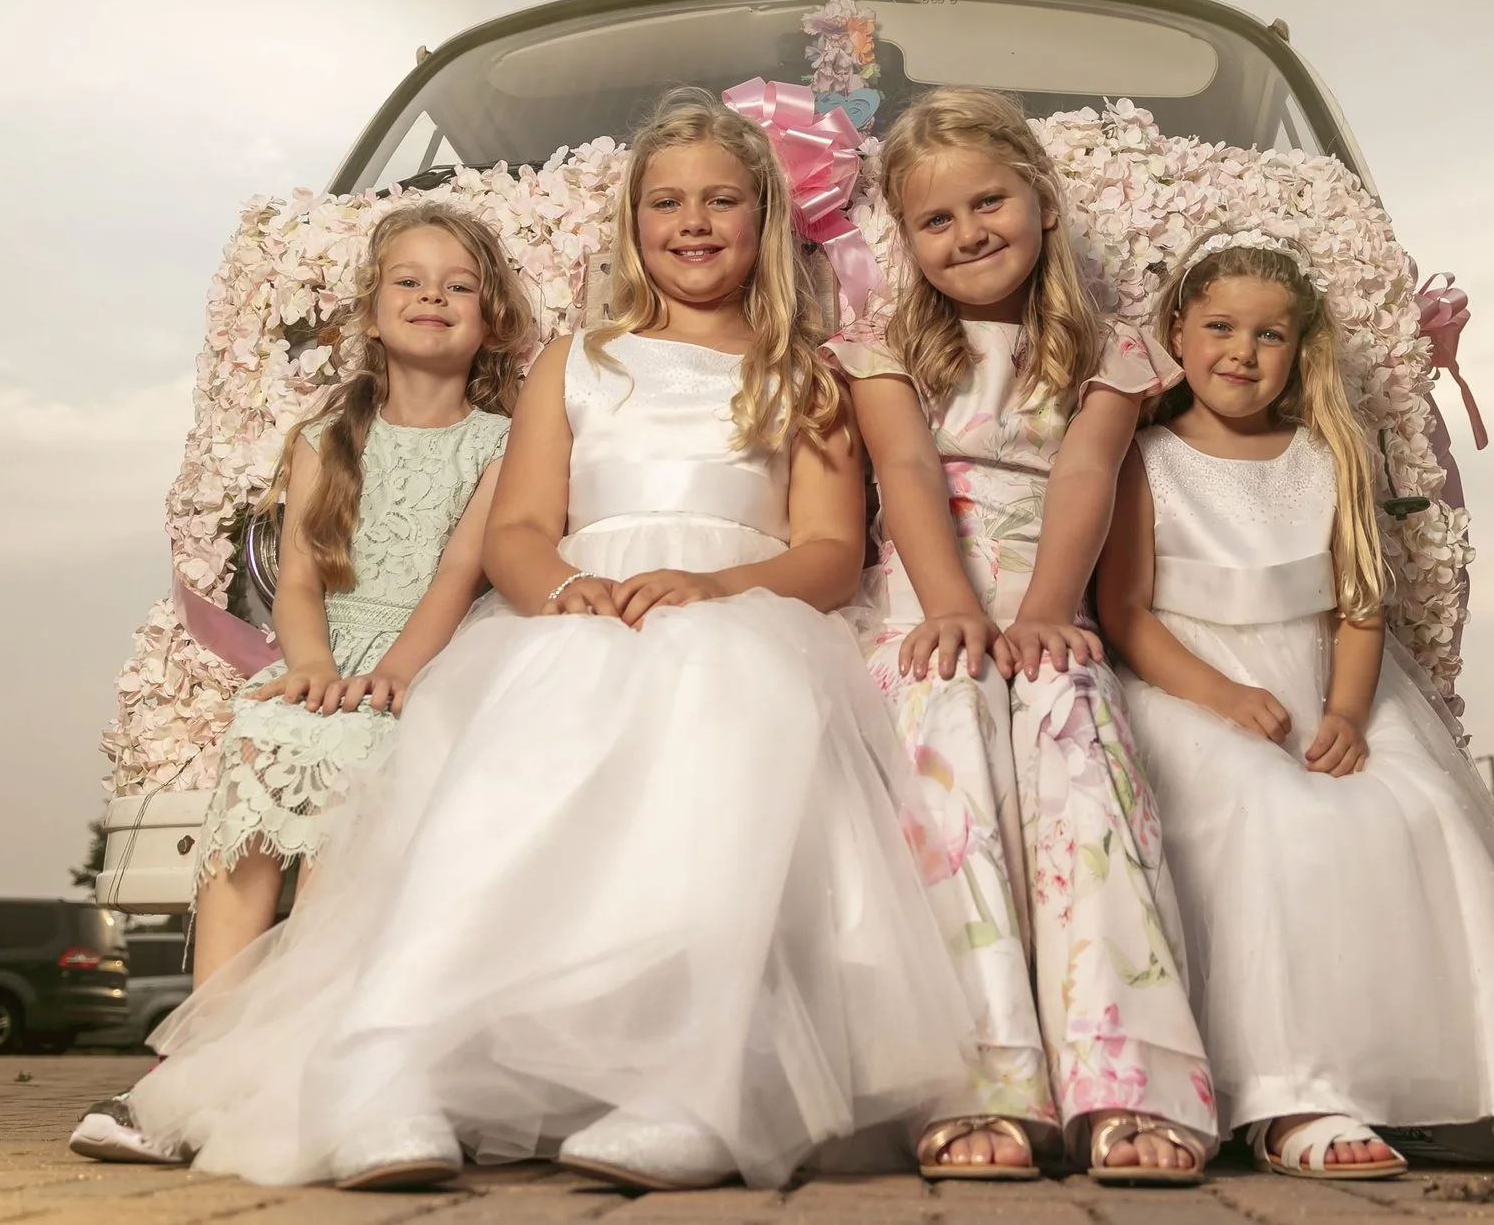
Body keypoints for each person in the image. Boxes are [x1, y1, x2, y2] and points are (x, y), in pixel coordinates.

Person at [124, 88, 972, 1193]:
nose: (693, 221)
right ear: (632, 221)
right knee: (515, 752)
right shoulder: (577, 359)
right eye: (666, 201)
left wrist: (712, 586)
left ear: (764, 219)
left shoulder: (804, 372)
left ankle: (696, 1075)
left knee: (729, 727)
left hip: (740, 610)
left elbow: (826, 549)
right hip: (580, 607)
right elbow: (518, 528)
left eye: (722, 200)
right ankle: (387, 1058)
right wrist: (565, 590)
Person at [1097, 228, 1494, 1182]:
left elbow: (1360, 605)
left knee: (1426, 811)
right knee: (1271, 812)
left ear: (1300, 346)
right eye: (1221, 327)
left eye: (1270, 334)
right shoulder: (1144, 457)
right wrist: (1223, 695)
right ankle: (1293, 1091)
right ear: (1177, 331)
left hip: (1328, 681)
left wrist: (1348, 714)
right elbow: (1125, 613)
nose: (1242, 351)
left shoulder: (1327, 456)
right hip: (1192, 685)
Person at [71, 199, 526, 1167]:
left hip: (426, 660)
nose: (433, 297)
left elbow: (458, 572)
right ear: (372, 312)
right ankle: (200, 1056)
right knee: (265, 745)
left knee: (353, 778)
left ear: (491, 319)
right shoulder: (329, 435)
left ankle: (301, 1055)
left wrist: (397, 672)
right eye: (409, 281)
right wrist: (311, 664)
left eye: (458, 285)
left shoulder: (499, 443)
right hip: (329, 652)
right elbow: (301, 578)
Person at [827, 89, 1217, 1186]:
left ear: (1043, 200)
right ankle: (979, 1074)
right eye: (934, 219)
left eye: (988, 201)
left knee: (1071, 724)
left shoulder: (1110, 351)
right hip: (923, 603)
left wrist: (1046, 610)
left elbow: (1086, 471)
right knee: (944, 720)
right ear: (905, 239)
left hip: (1049, 597)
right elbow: (908, 469)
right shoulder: (882, 350)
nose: (967, 232)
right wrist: (949, 604)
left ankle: (1124, 1075)